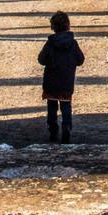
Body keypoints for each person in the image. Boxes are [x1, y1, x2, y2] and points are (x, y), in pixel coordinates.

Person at [38, 11, 84, 143]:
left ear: (53, 27)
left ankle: (53, 130)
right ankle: (67, 127)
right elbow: (80, 60)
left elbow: (41, 59)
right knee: (66, 106)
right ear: (68, 25)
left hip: (51, 82)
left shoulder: (50, 43)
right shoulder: (73, 43)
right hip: (66, 81)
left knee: (51, 107)